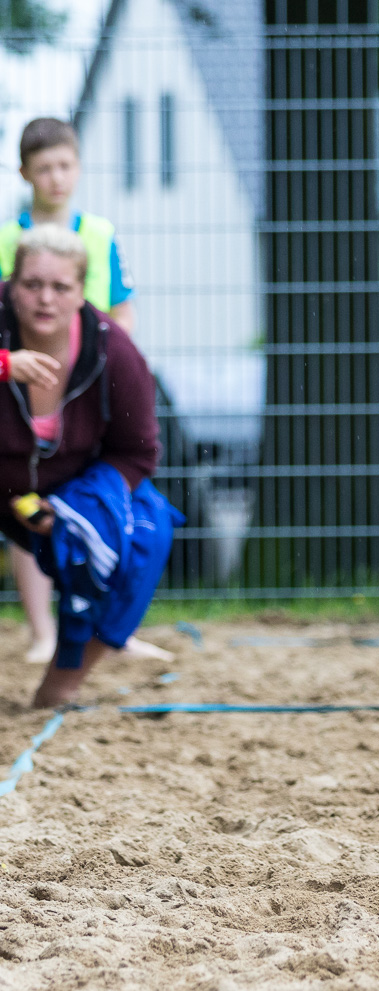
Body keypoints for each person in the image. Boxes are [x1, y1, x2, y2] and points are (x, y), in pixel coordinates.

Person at [0, 225, 170, 709]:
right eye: (32, 284)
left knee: (147, 526)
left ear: (82, 293)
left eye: (60, 287)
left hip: (67, 489)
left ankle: (64, 679)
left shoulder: (115, 351)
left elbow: (138, 452)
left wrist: (75, 509)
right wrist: (4, 365)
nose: (45, 299)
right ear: (11, 285)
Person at [1, 117, 142, 664]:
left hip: (90, 391)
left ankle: (112, 628)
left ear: (78, 168)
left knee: (105, 505)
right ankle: (43, 632)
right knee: (26, 499)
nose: (56, 178)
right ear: (25, 173)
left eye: (65, 166)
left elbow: (122, 308)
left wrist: (114, 366)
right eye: (45, 168)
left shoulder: (100, 234)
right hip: (26, 386)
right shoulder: (9, 238)